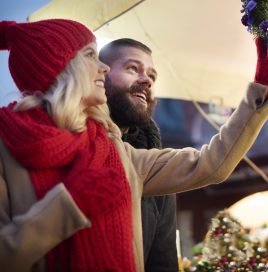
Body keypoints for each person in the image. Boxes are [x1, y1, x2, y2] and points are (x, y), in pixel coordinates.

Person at [0, 19, 268, 271]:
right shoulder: (6, 150)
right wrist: (69, 206)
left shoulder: (120, 154)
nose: (102, 69)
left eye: (152, 75)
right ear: (61, 66)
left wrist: (264, 90)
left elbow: (209, 164)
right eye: (91, 57)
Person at [99, 39, 178, 271]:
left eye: (152, 76)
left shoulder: (154, 163)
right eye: (132, 68)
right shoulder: (72, 142)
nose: (147, 81)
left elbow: (163, 258)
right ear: (100, 74)